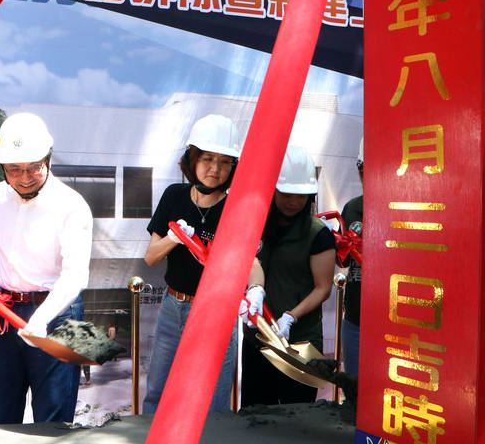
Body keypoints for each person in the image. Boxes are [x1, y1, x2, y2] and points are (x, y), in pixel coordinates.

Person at [0, 113, 92, 425]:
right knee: (1, 415)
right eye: (14, 169)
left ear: (48, 159)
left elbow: (76, 275)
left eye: (34, 167)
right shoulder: (1, 193)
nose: (24, 177)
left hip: (59, 315)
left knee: (54, 419)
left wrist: (41, 319)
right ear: (3, 168)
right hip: (7, 317)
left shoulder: (72, 205)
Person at [142, 113, 242, 415]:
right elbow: (151, 257)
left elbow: (249, 261)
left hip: (218, 312)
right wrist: (176, 237)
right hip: (174, 307)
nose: (215, 169)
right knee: (158, 393)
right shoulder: (174, 195)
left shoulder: (236, 206)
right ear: (192, 159)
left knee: (215, 402)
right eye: (207, 158)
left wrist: (256, 289)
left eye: (225, 161)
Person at [239, 145, 336, 406]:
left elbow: (322, 288)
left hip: (298, 343)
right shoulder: (256, 224)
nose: (294, 202)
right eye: (287, 194)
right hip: (258, 339)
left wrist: (292, 316)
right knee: (256, 415)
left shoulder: (318, 234)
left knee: (297, 419)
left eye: (301, 196)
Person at [338, 138, 363, 378]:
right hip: (356, 318)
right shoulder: (353, 209)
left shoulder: (408, 206)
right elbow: (342, 261)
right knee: (354, 387)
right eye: (364, 171)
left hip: (397, 321)